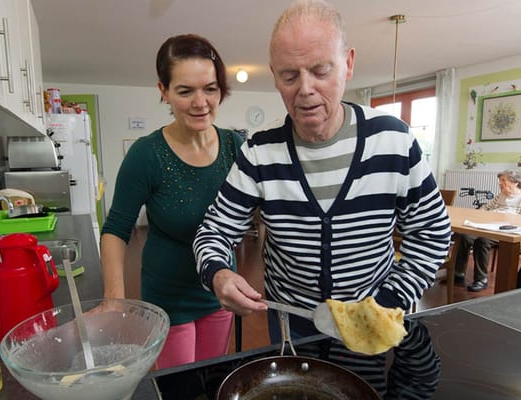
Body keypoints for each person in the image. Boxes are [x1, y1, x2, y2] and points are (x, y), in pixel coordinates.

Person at [193, 0, 450, 341]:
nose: (305, 89)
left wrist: (389, 301)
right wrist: (218, 273)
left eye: (320, 71)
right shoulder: (259, 150)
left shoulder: (394, 140)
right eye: (289, 75)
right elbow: (213, 231)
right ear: (274, 77)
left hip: (375, 323)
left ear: (348, 64)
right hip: (291, 328)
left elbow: (432, 233)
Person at [99, 34, 244, 369]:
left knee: (210, 378)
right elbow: (117, 228)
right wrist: (114, 298)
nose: (201, 102)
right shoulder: (147, 155)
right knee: (178, 385)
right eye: (185, 91)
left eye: (210, 88)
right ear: (163, 90)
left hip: (218, 291)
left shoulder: (235, 147)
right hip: (167, 298)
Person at [452, 169, 521, 292]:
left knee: (482, 241)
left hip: (508, 231)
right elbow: (486, 208)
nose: (499, 183)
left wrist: (507, 218)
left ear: (515, 182)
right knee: (464, 235)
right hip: (489, 226)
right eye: (500, 180)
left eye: (503, 180)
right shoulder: (501, 195)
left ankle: (481, 279)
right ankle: (458, 273)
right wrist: (480, 215)